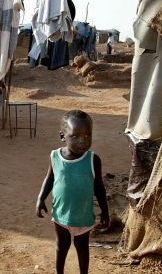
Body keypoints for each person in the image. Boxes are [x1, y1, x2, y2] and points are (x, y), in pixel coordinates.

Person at [36, 110, 109, 274]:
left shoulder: (92, 159)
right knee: (61, 246)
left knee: (82, 249)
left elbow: (99, 187)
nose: (83, 140)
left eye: (87, 135)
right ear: (63, 136)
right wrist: (41, 198)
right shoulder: (55, 156)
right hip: (61, 215)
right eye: (76, 136)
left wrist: (105, 211)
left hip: (83, 217)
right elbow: (49, 179)